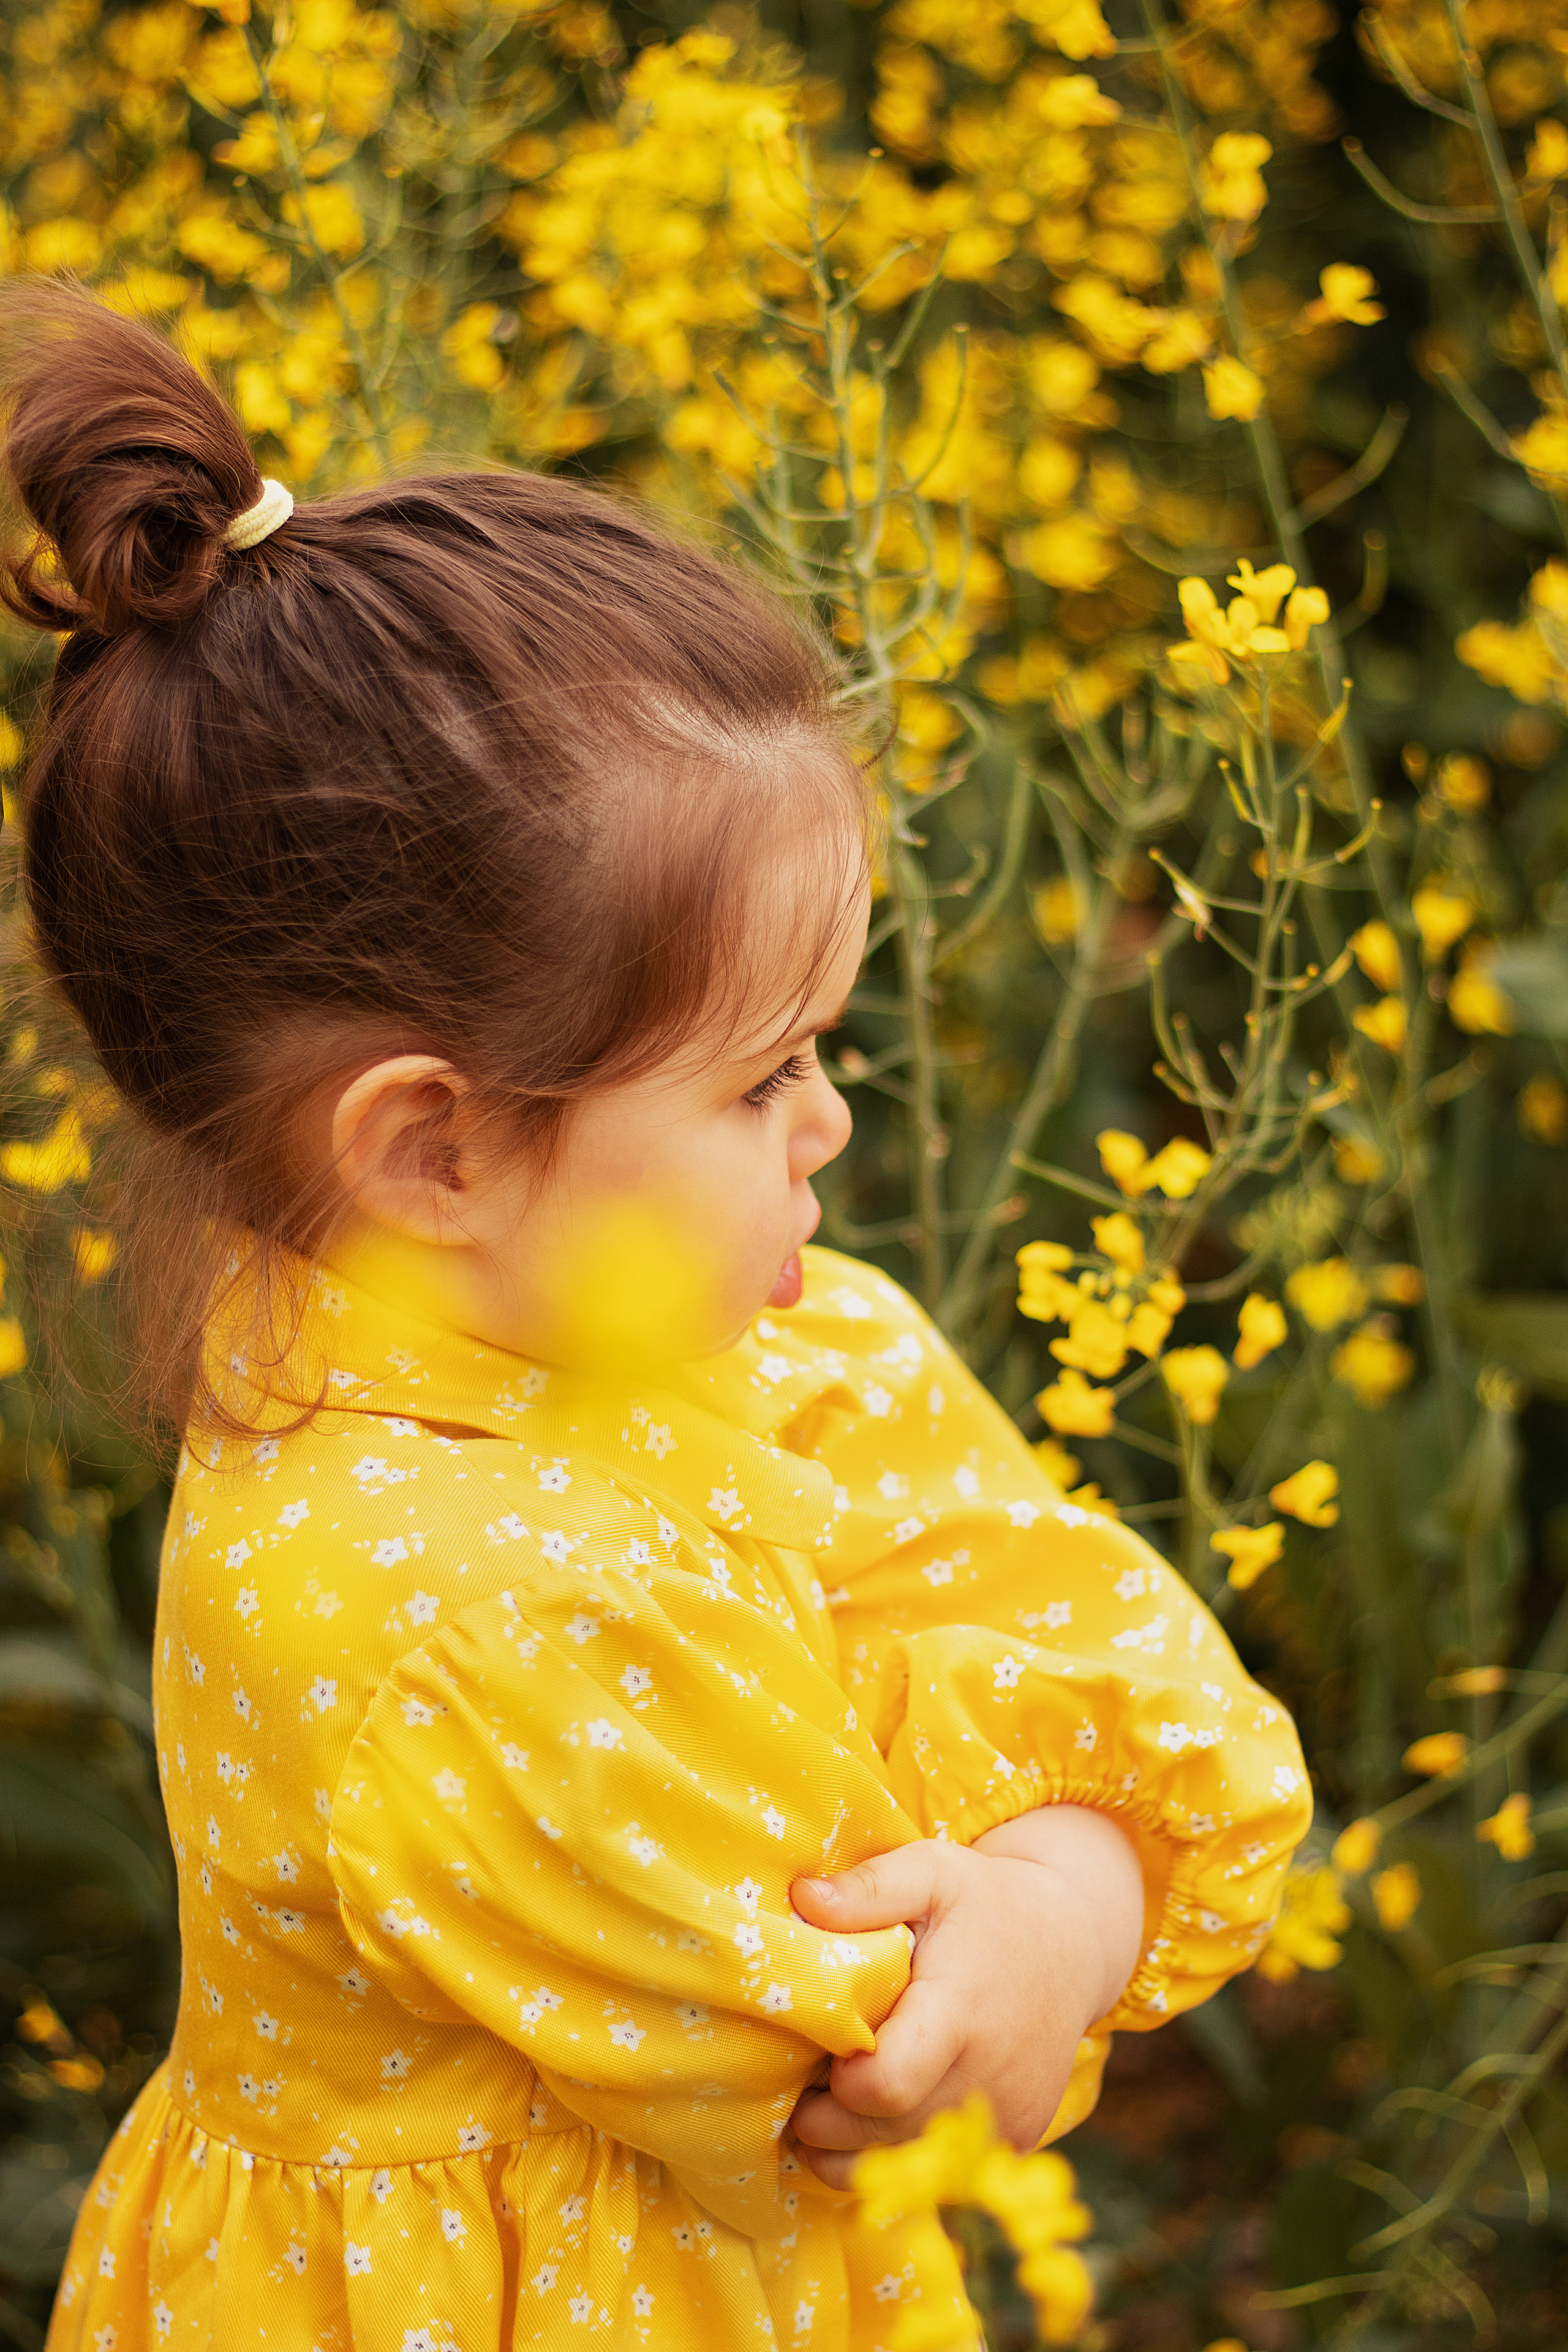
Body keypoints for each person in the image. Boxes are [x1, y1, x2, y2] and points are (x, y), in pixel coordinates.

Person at [7, 287, 1311, 2352]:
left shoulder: (722, 1326)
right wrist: (1067, 1889)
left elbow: (1097, 1679)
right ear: (432, 1151)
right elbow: (876, 2059)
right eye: (757, 1074)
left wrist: (1051, 1886)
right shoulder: (457, 1603)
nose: (834, 1119)